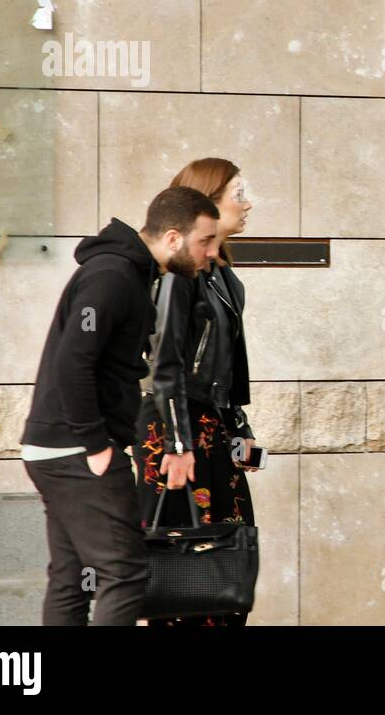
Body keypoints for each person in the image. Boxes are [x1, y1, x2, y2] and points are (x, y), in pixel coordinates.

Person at [21, 187, 220, 626]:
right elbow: (73, 361)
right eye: (206, 241)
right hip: (76, 451)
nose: (213, 253)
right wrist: (96, 445)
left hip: (58, 448)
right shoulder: (113, 277)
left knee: (73, 577)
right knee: (125, 572)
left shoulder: (129, 274)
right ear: (173, 237)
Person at [135, 158, 258, 626]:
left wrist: (240, 427)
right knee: (184, 568)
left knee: (227, 569)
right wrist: (177, 442)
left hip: (212, 427)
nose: (247, 203)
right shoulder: (180, 273)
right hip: (178, 429)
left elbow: (222, 367)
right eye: (238, 192)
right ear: (207, 201)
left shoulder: (222, 275)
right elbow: (164, 364)